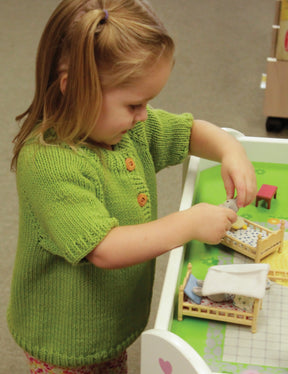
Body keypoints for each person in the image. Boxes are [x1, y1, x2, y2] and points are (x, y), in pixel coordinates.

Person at [7, 0, 257, 373]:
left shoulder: (127, 130)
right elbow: (104, 248)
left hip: (110, 320)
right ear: (74, 89)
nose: (143, 116)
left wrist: (229, 148)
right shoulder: (48, 164)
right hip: (63, 337)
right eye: (134, 104)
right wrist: (188, 224)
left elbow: (188, 131)